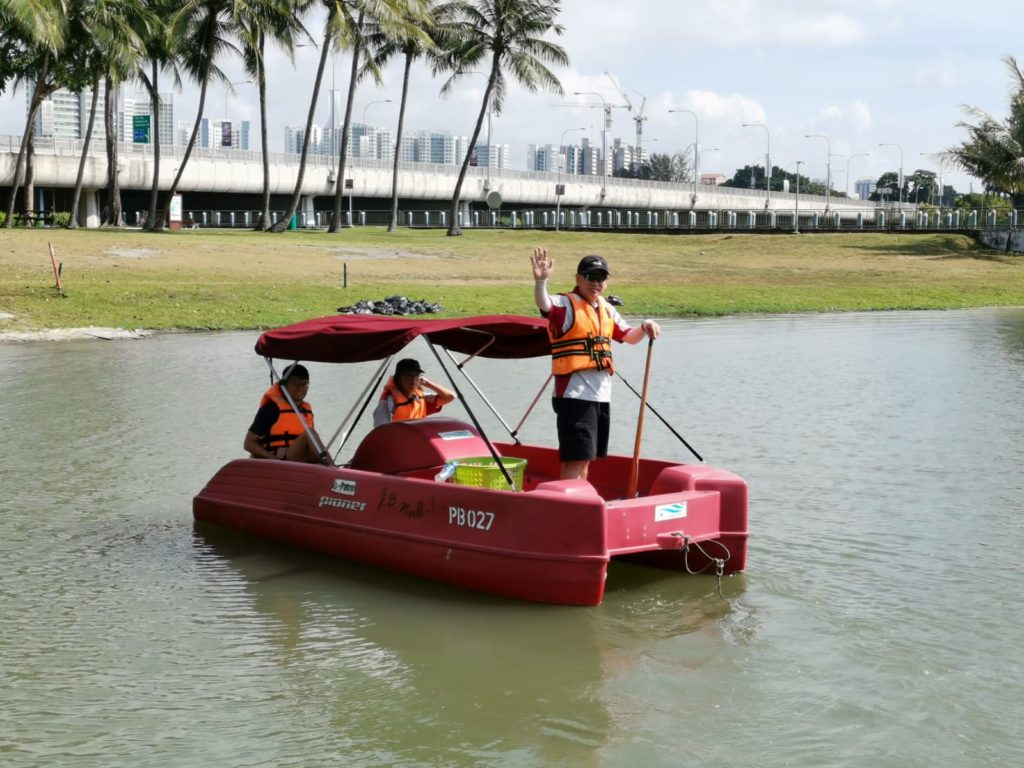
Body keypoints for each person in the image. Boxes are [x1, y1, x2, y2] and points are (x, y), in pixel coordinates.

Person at [531, 247, 661, 481]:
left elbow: (629, 336)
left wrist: (645, 325)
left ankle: (582, 506)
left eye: (601, 278)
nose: (596, 283)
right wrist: (541, 281)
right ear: (578, 279)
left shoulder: (606, 309)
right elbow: (545, 305)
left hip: (600, 395)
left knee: (587, 458)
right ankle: (570, 505)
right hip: (575, 395)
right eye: (591, 277)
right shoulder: (565, 304)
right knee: (575, 458)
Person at [244, 363, 329, 463]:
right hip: (279, 458)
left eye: (304, 384)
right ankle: (333, 470)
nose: (301, 388)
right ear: (284, 386)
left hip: (299, 458)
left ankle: (335, 470)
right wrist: (274, 459)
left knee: (312, 439)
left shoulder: (306, 410)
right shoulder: (271, 409)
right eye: (296, 384)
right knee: (310, 433)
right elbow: (248, 443)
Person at [373, 358, 455, 427]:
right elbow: (381, 431)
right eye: (408, 375)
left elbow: (450, 397)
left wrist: (428, 384)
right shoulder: (389, 401)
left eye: (416, 375)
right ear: (398, 379)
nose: (413, 379)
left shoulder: (422, 397)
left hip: (417, 441)